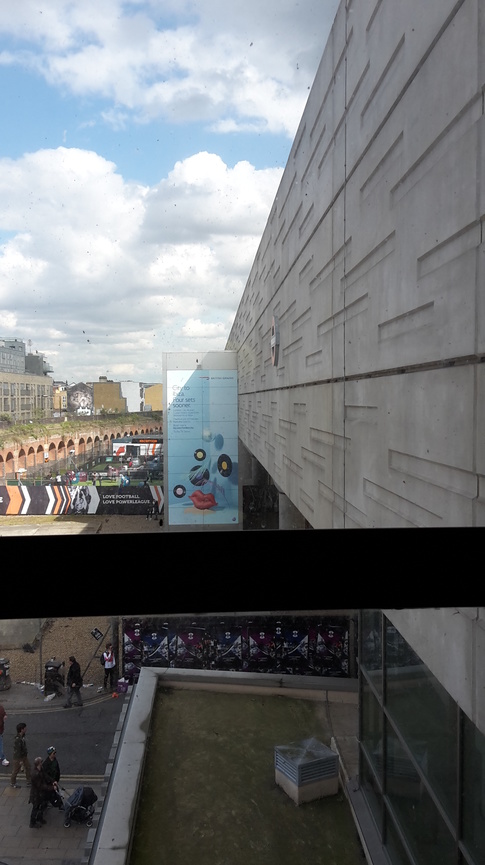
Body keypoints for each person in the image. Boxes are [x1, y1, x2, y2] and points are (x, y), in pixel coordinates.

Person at [29, 757, 56, 828]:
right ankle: (32, 823)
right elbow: (40, 786)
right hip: (36, 795)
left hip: (41, 794)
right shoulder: (35, 774)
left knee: (42, 806)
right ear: (38, 764)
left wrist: (52, 781)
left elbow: (45, 775)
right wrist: (51, 788)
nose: (42, 763)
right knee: (36, 808)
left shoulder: (40, 769)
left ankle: (39, 818)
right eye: (41, 762)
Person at [10, 722, 31, 787]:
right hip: (18, 758)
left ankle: (29, 781)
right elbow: (18, 751)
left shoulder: (22, 736)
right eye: (25, 728)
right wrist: (20, 761)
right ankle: (13, 783)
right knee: (16, 770)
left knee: (28, 767)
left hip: (24, 756)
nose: (26, 729)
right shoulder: (18, 739)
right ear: (21, 729)